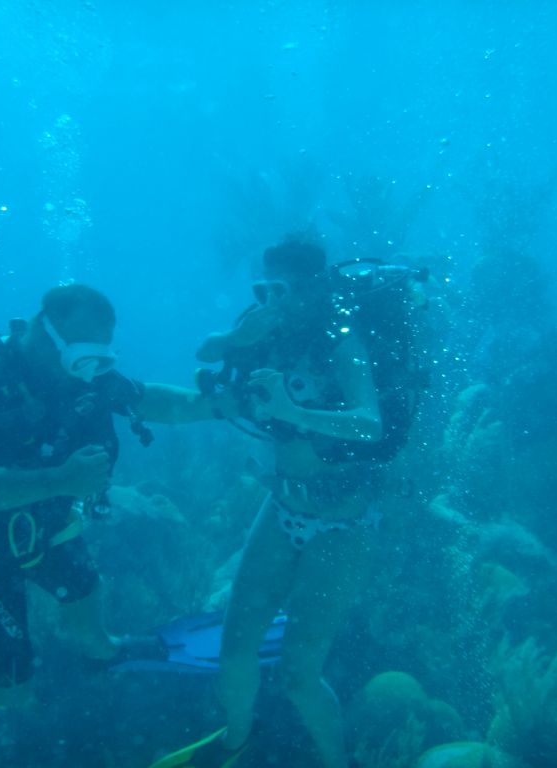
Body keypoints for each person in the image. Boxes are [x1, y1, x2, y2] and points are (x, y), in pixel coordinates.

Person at [0, 284, 233, 767]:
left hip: (49, 530)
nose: (90, 367)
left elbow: (146, 399)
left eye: (101, 355)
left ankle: (102, 651)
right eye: (81, 351)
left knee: (90, 615)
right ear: (42, 330)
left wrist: (218, 405)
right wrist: (62, 480)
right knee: (13, 688)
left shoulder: (87, 375)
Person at [155, 239, 389, 768]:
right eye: (264, 289)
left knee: (299, 677)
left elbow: (369, 424)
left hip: (344, 520)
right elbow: (206, 353)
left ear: (314, 288)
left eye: (283, 290)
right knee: (235, 651)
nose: (272, 301)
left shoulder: (342, 340)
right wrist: (235, 337)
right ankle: (236, 740)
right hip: (282, 507)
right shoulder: (262, 330)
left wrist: (293, 411)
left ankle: (338, 762)